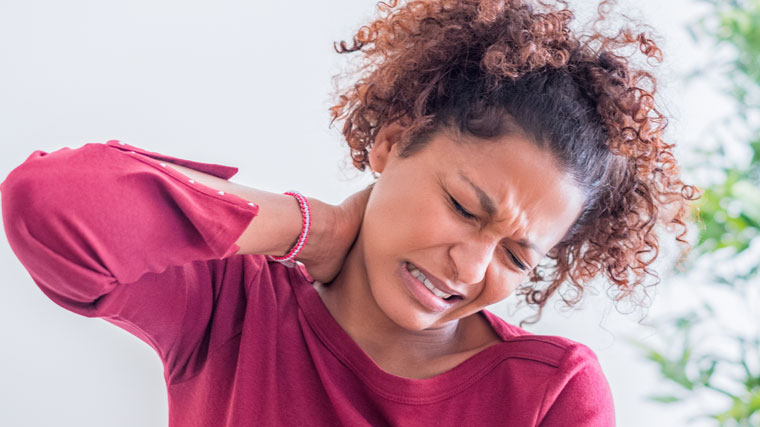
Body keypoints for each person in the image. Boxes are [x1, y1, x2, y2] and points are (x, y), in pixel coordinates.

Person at [0, 0, 697, 425]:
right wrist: (314, 229)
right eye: (461, 206)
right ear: (393, 142)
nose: (471, 265)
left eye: (517, 255)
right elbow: (51, 206)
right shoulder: (232, 304)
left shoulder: (548, 392)